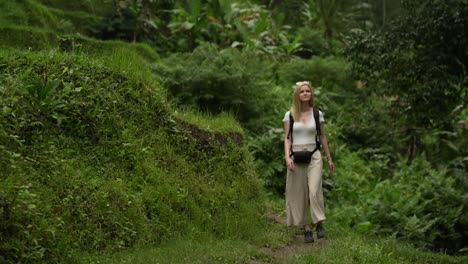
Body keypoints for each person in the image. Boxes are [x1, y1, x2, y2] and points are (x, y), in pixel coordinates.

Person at [283, 81, 335, 243]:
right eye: (302, 91)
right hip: (296, 156)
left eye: (307, 91)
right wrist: (287, 157)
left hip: (314, 155)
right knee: (300, 193)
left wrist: (329, 158)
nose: (305, 93)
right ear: (297, 95)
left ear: (311, 94)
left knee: (313, 190)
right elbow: (287, 138)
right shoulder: (289, 115)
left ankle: (319, 223)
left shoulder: (317, 114)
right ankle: (306, 227)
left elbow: (322, 137)